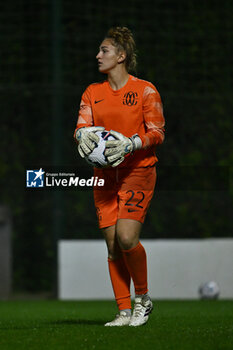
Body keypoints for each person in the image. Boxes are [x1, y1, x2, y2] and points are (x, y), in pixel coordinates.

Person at [74, 26, 165, 327]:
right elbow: (82, 127)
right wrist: (80, 136)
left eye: (105, 50)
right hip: (103, 177)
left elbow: (157, 132)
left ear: (121, 56)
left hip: (138, 171)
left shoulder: (145, 90)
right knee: (113, 245)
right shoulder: (92, 92)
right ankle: (123, 311)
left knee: (127, 238)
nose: (98, 55)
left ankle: (144, 299)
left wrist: (132, 143)